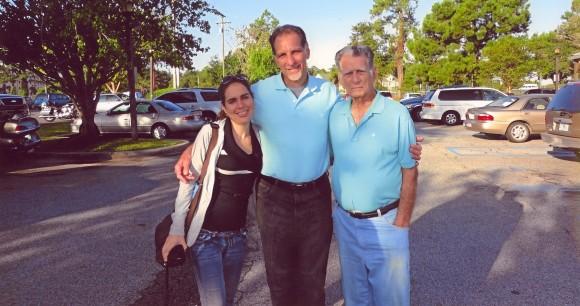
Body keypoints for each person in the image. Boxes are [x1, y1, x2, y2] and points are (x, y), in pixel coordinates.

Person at [174, 25, 423, 306]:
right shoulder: (259, 92)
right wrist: (192, 147)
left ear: (307, 51)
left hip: (315, 196)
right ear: (275, 58)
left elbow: (357, 122)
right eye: (282, 54)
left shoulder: (328, 92)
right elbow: (230, 116)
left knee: (312, 278)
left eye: (295, 51)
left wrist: (407, 141)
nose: (290, 60)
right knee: (279, 278)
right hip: (272, 196)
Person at [162, 75, 262, 306]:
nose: (240, 105)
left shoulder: (260, 135)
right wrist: (177, 230)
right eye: (233, 100)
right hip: (207, 237)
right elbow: (187, 183)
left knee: (226, 300)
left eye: (244, 97)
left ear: (252, 99)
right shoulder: (212, 133)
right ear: (224, 107)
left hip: (238, 237)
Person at [330, 45, 418, 306]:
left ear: (374, 73)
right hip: (346, 224)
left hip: (386, 222)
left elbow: (410, 172)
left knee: (391, 299)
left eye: (360, 71)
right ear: (340, 78)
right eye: (347, 73)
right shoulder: (335, 115)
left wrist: (401, 222)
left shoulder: (396, 114)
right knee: (356, 297)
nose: (354, 78)